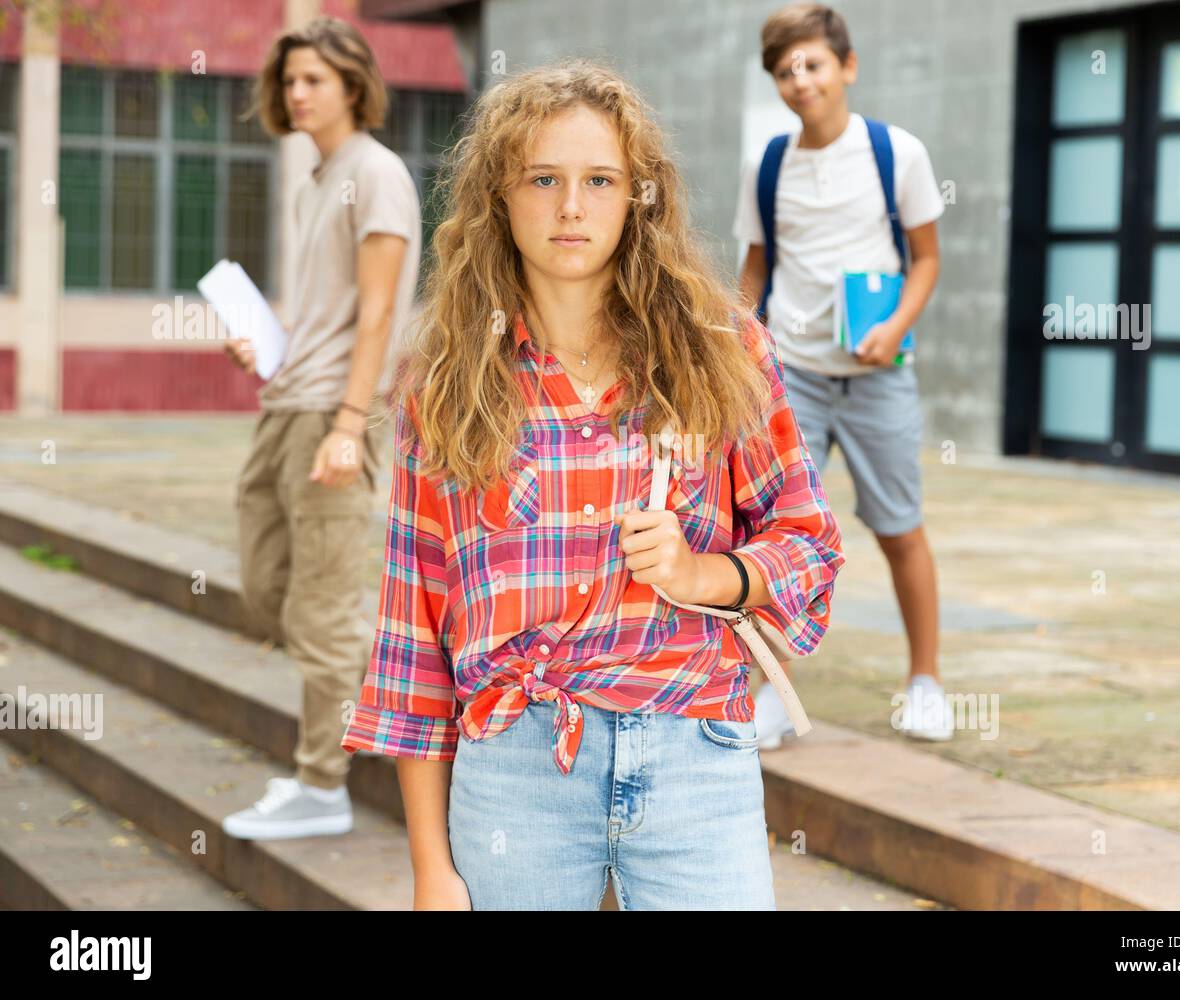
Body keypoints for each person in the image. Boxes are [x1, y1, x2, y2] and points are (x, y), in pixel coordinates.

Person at [339, 58, 845, 911]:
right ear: (500, 195)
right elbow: (412, 639)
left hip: (695, 750)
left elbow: (809, 542)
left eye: (600, 180)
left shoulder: (723, 351)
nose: (571, 207)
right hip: (515, 773)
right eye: (544, 178)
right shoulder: (447, 383)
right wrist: (432, 869)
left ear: (636, 196)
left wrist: (701, 576)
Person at [220, 16, 422, 839]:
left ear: (352, 84)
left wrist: (349, 423)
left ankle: (322, 785)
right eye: (288, 81)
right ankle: (385, 698)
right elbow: (330, 310)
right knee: (267, 583)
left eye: (312, 79)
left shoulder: (374, 172)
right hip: (287, 403)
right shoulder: (316, 174)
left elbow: (378, 313)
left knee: (326, 604)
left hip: (333, 416)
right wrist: (267, 342)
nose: (295, 93)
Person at [734, 3, 952, 747]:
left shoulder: (898, 155)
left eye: (814, 64)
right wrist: (738, 349)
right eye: (786, 69)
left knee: (898, 529)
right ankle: (773, 691)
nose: (801, 80)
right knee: (781, 534)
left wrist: (894, 328)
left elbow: (925, 258)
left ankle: (925, 681)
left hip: (878, 374)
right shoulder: (766, 165)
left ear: (846, 67)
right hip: (792, 377)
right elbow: (755, 272)